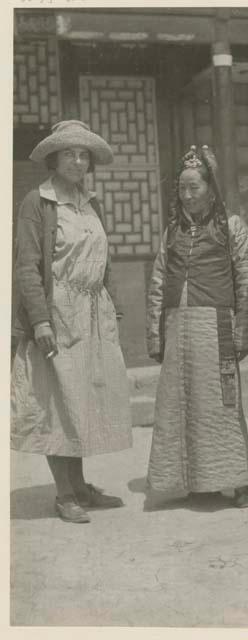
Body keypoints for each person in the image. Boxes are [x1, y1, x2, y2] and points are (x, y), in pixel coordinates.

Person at [11, 120, 133, 524]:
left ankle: (80, 486)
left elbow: (103, 258)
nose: (78, 161)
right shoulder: (38, 202)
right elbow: (27, 267)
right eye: (70, 153)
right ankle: (64, 494)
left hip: (92, 311)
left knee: (82, 400)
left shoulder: (89, 201)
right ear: (54, 157)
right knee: (57, 401)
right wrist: (41, 321)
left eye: (84, 155)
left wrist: (110, 305)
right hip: (57, 311)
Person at [146, 145, 248, 508]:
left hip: (216, 326)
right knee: (184, 404)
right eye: (182, 189)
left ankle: (237, 481)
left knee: (221, 403)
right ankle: (197, 480)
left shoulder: (230, 227)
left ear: (210, 187)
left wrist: (242, 330)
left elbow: (245, 279)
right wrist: (155, 333)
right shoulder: (172, 231)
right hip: (178, 327)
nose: (189, 195)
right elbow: (159, 280)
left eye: (195, 187)